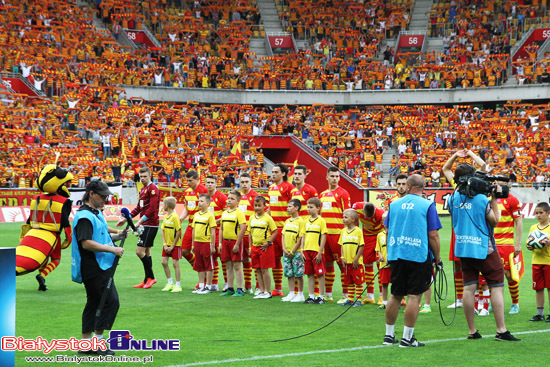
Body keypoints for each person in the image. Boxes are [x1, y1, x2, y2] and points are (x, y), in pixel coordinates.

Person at [448, 163, 520, 342]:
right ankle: (501, 330)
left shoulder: (452, 198)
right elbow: (495, 221)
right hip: (484, 248)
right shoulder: (481, 200)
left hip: (463, 248)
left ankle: (472, 331)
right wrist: (494, 199)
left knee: (468, 288)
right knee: (497, 286)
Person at [383, 174, 441, 348]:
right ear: (423, 187)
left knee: (395, 294)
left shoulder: (394, 205)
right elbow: (433, 235)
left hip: (397, 254)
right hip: (418, 254)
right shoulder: (428, 204)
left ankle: (389, 335)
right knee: (414, 296)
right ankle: (407, 338)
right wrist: (437, 258)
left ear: (408, 186)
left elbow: (387, 229)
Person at [72, 180, 125, 356]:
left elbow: (102, 235)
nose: (105, 199)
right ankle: (98, 343)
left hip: (100, 265)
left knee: (94, 302)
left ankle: (86, 344)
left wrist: (117, 237)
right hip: (93, 266)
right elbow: (86, 243)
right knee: (110, 302)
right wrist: (113, 249)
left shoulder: (95, 212)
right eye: (102, 196)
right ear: (92, 193)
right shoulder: (84, 216)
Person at [442, 150, 486, 309]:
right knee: (458, 265)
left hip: (472, 230)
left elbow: (483, 165)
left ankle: (480, 298)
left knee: (477, 265)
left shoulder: (477, 184)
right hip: (459, 231)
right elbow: (445, 169)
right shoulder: (458, 186)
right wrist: (460, 155)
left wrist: (464, 154)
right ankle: (461, 299)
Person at [117, 167, 159, 289]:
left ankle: (151, 277)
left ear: (150, 176)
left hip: (151, 224)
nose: (143, 178)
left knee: (139, 251)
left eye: (145, 176)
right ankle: (147, 280)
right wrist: (126, 219)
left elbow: (152, 210)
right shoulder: (143, 189)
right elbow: (139, 208)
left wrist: (139, 222)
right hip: (146, 224)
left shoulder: (153, 189)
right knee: (146, 252)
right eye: (141, 177)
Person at [319, 166, 351, 302]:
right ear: (327, 177)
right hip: (325, 236)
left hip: (338, 235)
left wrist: (346, 234)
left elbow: (348, 215)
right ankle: (328, 294)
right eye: (332, 176)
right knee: (327, 265)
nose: (335, 179)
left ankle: (345, 294)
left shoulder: (343, 194)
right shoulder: (322, 195)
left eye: (337, 176)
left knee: (342, 265)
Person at [493, 178, 523, 314]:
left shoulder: (512, 200)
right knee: (490, 274)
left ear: (506, 184)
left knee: (508, 274)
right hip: (491, 242)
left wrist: (517, 243)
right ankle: (492, 302)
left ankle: (515, 303)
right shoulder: (489, 198)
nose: (496, 184)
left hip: (506, 243)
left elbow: (519, 221)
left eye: (500, 182)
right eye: (495, 182)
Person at [267, 163, 295, 296]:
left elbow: (294, 207)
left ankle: (295, 290)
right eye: (272, 172)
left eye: (276, 172)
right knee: (275, 259)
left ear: (283, 174)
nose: (273, 174)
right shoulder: (271, 188)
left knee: (291, 258)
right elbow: (269, 208)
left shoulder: (289, 187)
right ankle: (278, 289)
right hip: (274, 230)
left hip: (286, 229)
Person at [352, 201, 385, 305]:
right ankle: (370, 296)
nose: (369, 219)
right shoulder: (356, 207)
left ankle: (381, 296)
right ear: (362, 211)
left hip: (379, 236)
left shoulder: (380, 214)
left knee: (380, 265)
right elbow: (354, 221)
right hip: (367, 237)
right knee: (367, 264)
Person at [248, 196, 278, 299]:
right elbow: (250, 233)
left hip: (264, 247)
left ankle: (268, 291)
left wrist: (268, 243)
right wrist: (249, 247)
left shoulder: (268, 218)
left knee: (265, 270)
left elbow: (275, 231)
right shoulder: (251, 218)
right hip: (254, 247)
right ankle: (261, 290)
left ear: (264, 206)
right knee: (258, 269)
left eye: (259, 206)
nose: (257, 208)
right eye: (255, 205)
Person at [218, 190, 247, 296]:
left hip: (234, 241)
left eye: (232, 199)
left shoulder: (239, 213)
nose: (229, 200)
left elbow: (243, 229)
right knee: (228, 265)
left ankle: (240, 289)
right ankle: (230, 288)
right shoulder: (224, 213)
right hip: (225, 242)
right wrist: (220, 244)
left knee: (237, 265)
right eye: (228, 198)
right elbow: (221, 229)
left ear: (238, 201)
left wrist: (237, 244)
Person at [179, 170, 208, 273]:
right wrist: (181, 218)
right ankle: (200, 269)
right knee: (184, 251)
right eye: (187, 180)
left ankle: (204, 276)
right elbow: (187, 208)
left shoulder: (204, 190)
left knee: (201, 253)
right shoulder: (186, 191)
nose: (188, 183)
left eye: (190, 180)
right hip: (191, 225)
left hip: (201, 226)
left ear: (197, 179)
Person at [302, 197, 328, 304]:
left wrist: (320, 252)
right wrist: (302, 250)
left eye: (311, 207)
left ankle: (321, 297)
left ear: (318, 208)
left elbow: (324, 236)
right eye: (307, 207)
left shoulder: (321, 221)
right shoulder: (305, 221)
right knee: (309, 274)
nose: (308, 209)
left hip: (316, 251)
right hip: (307, 251)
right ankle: (311, 296)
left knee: (320, 274)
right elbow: (303, 236)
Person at [527, 202, 550, 322]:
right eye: (536, 213)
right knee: (538, 288)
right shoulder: (533, 228)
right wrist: (529, 246)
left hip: (548, 262)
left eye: (541, 213)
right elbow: (529, 243)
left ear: (548, 213)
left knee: (549, 288)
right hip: (536, 261)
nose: (538, 215)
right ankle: (539, 313)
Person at [191, 194, 217, 294]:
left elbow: (213, 231)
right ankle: (201, 285)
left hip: (206, 243)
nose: (199, 203)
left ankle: (208, 286)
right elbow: (193, 230)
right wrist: (193, 244)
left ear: (207, 203)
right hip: (197, 243)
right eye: (199, 201)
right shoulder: (196, 215)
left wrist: (213, 245)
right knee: (199, 265)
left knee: (208, 265)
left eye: (202, 201)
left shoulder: (210, 215)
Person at [338, 209, 364, 307]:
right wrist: (342, 257)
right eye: (343, 217)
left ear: (353, 219)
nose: (343, 219)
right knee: (349, 281)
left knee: (358, 281)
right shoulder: (343, 231)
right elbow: (341, 245)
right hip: (347, 261)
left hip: (355, 262)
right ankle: (350, 299)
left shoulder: (358, 231)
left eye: (346, 217)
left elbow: (361, 246)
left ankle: (358, 300)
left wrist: (356, 259)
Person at [205, 175, 228, 292]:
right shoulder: (204, 197)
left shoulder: (222, 197)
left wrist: (215, 222)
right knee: (211, 258)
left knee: (222, 257)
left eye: (211, 182)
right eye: (207, 182)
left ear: (216, 184)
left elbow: (226, 214)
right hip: (208, 232)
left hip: (219, 231)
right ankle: (214, 283)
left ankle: (227, 282)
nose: (209, 184)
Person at [281, 198, 305, 303]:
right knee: (289, 273)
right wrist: (284, 249)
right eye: (287, 206)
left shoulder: (301, 222)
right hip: (287, 251)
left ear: (296, 208)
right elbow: (283, 235)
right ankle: (291, 293)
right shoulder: (287, 221)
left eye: (290, 206)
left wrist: (293, 251)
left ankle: (300, 293)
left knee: (298, 274)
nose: (287, 208)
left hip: (296, 252)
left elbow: (300, 238)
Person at [239, 172, 259, 293]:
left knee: (255, 260)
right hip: (239, 234)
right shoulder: (237, 196)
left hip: (252, 234)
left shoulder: (255, 196)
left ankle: (258, 286)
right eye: (242, 182)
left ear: (251, 182)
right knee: (244, 260)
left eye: (247, 182)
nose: (244, 184)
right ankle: (247, 286)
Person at [160, 197, 182, 293]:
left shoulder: (175, 217)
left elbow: (179, 231)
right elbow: (162, 230)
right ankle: (170, 283)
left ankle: (178, 285)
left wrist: (173, 245)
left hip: (175, 245)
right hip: (166, 244)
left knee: (175, 263)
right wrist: (165, 244)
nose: (162, 206)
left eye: (163, 204)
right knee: (164, 262)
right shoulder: (165, 217)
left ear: (166, 205)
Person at [375, 228, 390, 309]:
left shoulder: (394, 232)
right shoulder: (380, 235)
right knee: (384, 284)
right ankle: (384, 302)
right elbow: (378, 249)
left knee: (395, 283)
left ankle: (395, 302)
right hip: (383, 264)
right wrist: (380, 255)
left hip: (393, 265)